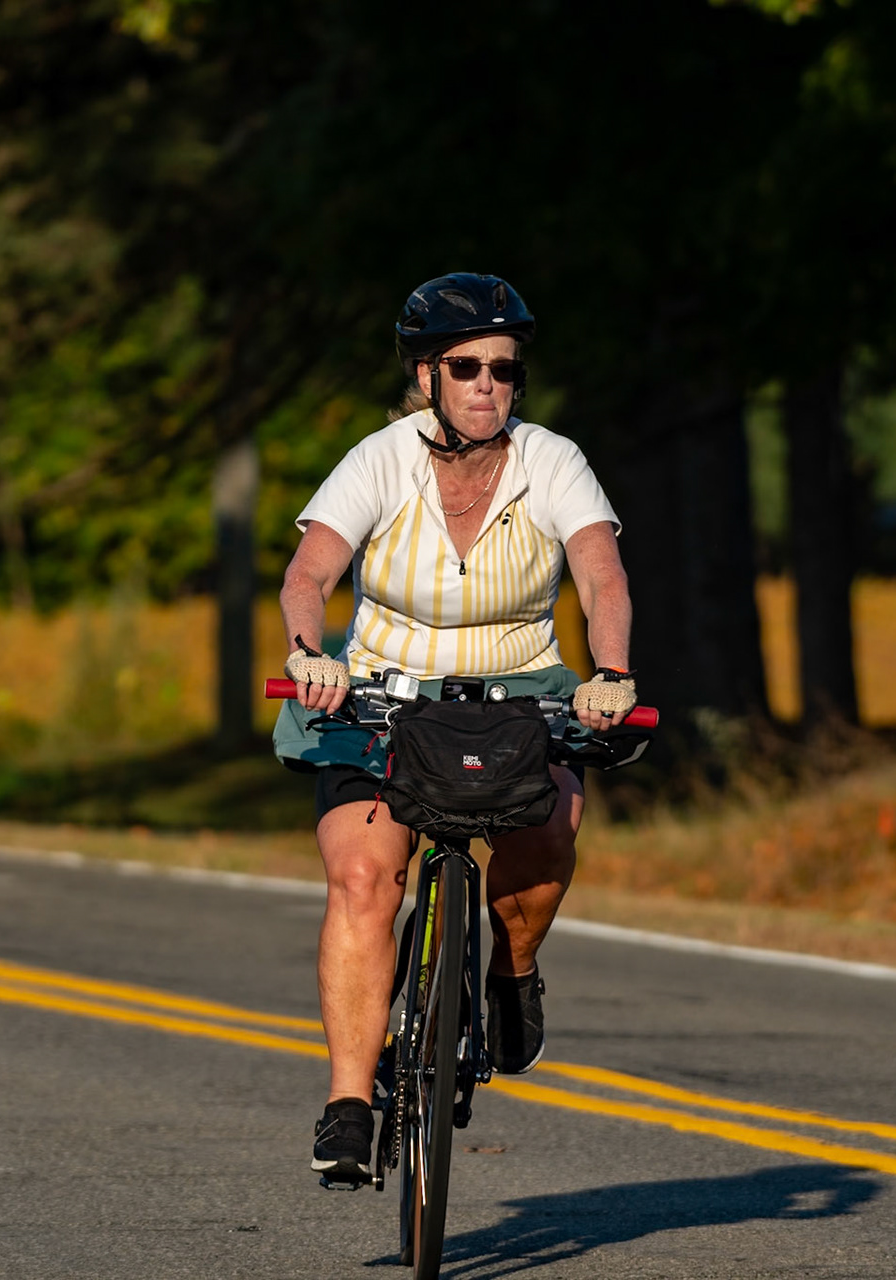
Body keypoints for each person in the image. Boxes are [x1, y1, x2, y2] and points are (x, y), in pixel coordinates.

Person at [273, 273, 637, 1183]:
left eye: (504, 369)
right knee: (364, 877)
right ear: (427, 375)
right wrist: (309, 653)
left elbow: (601, 576)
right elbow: (309, 575)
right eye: (467, 367)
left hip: (520, 695)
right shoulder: (379, 460)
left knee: (546, 842)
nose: (487, 385)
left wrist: (611, 673)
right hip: (382, 694)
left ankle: (512, 973)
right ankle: (349, 1106)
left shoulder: (552, 460)